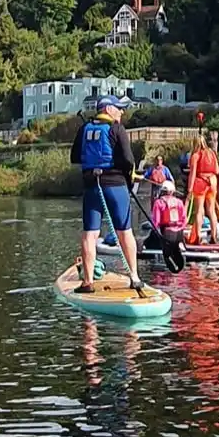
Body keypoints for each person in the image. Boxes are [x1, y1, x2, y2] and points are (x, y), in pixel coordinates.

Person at [71, 96, 144, 294]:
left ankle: (87, 282)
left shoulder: (84, 129)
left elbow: (75, 157)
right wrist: (129, 180)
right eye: (119, 109)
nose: (121, 112)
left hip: (92, 187)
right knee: (124, 231)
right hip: (116, 186)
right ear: (109, 109)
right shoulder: (117, 129)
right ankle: (134, 278)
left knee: (90, 234)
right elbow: (128, 160)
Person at [187, 131, 219, 244]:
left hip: (200, 182)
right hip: (212, 182)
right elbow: (217, 170)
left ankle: (197, 237)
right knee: (211, 211)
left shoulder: (195, 156)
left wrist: (189, 190)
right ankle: (214, 237)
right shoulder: (211, 153)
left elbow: (192, 174)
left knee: (199, 211)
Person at [147, 179, 189, 272]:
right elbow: (184, 220)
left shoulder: (159, 203)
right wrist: (179, 228)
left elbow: (156, 222)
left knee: (150, 240)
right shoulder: (179, 202)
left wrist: (152, 228)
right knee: (174, 245)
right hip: (179, 234)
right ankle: (179, 247)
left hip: (166, 234)